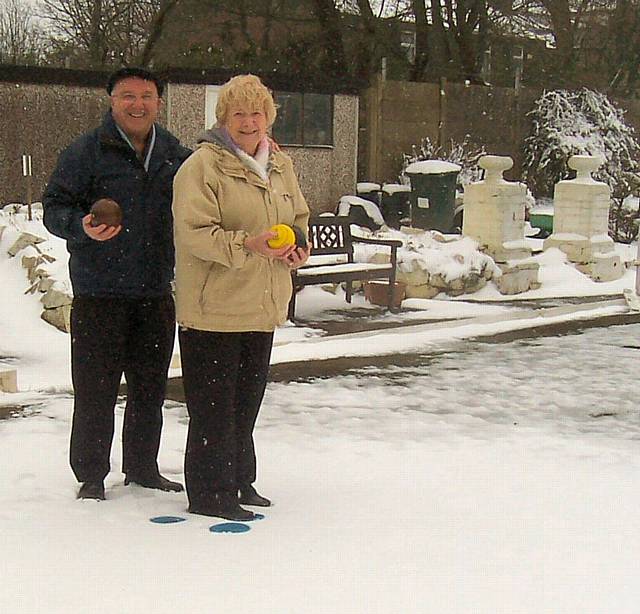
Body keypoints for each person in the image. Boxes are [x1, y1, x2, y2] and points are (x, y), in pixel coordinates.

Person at [43, 67, 191, 501]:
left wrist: (256, 150)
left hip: (153, 292)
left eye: (146, 96)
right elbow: (54, 206)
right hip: (99, 292)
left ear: (158, 103)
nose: (137, 104)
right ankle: (91, 474)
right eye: (128, 95)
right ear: (111, 100)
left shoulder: (171, 152)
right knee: (95, 391)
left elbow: (211, 171)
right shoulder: (86, 151)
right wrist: (81, 226)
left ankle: (143, 468)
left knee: (150, 388)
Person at [172, 74, 310, 521]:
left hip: (261, 304)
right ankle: (210, 494)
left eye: (257, 113)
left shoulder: (281, 166)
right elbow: (193, 235)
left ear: (268, 118)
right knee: (213, 407)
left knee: (245, 403)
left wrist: (299, 244)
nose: (249, 122)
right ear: (223, 119)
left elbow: (298, 215)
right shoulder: (202, 167)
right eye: (239, 114)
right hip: (214, 307)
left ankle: (238, 480)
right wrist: (246, 245)